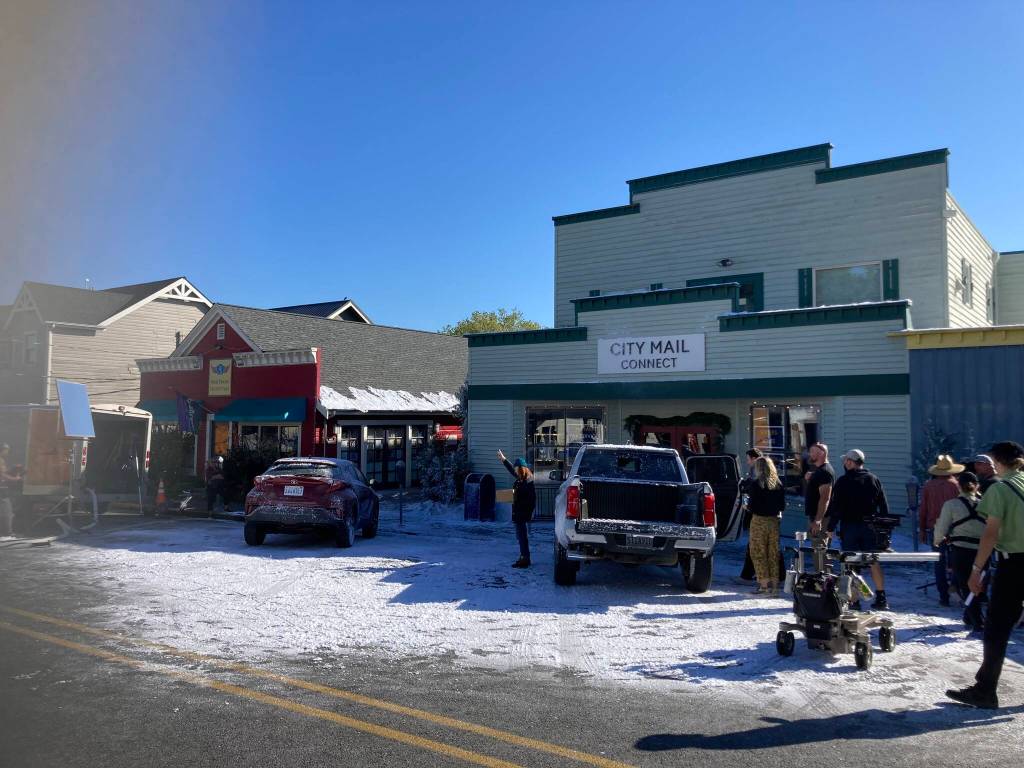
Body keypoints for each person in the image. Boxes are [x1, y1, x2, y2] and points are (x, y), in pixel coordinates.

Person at [947, 441, 1024, 710]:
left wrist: (976, 571)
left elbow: (990, 534)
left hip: (1014, 564)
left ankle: (985, 690)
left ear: (998, 462)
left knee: (997, 628)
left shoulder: (1000, 489)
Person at [827, 449, 890, 611]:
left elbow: (837, 508)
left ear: (850, 462)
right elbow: (883, 505)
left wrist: (831, 527)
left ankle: (855, 600)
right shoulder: (873, 479)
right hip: (870, 526)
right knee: (873, 561)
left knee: (851, 564)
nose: (844, 464)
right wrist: (884, 527)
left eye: (846, 461)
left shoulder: (843, 482)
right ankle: (881, 597)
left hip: (850, 527)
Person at [933, 472, 986, 630]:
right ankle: (970, 615)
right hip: (982, 550)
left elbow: (941, 527)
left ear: (959, 486)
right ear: (977, 486)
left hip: (961, 549)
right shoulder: (986, 504)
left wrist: (937, 541)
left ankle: (977, 619)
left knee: (965, 585)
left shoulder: (951, 504)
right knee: (978, 584)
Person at [921, 455, 964, 606]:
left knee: (939, 562)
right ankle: (954, 587)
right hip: (954, 528)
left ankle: (943, 596)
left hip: (934, 527)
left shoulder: (928, 485)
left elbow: (924, 509)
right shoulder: (956, 485)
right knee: (956, 561)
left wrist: (921, 529)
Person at [746, 456, 786, 595]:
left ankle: (764, 585)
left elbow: (751, 507)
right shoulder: (778, 484)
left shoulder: (756, 484)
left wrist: (746, 507)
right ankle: (774, 585)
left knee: (758, 552)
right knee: (773, 553)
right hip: (774, 521)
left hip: (759, 521)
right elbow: (782, 506)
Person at [497, 449, 536, 568]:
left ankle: (525, 558)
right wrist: (503, 460)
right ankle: (524, 556)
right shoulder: (522, 478)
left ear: (521, 469)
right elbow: (511, 469)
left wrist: (526, 512)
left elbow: (530, 500)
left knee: (522, 536)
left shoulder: (527, 482)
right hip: (519, 513)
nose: (515, 471)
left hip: (522, 514)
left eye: (516, 469)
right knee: (520, 536)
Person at [735, 449, 763, 584]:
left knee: (755, 545)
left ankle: (748, 575)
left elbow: (752, 487)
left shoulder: (757, 471)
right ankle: (777, 576)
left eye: (748, 459)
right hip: (768, 515)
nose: (747, 462)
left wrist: (743, 485)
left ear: (754, 458)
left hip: (759, 515)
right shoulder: (769, 475)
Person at [805, 443, 835, 537]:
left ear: (822, 453)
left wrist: (818, 521)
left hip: (821, 518)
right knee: (816, 548)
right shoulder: (819, 471)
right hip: (816, 516)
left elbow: (825, 498)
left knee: (819, 549)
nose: (810, 454)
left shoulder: (824, 472)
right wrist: (809, 479)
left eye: (812, 451)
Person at [0, 444, 24, 537]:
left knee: (6, 511)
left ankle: (6, 532)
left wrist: (13, 469)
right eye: (7, 450)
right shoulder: (0, 460)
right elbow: (2, 475)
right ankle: (7, 533)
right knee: (7, 511)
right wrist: (15, 479)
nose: (8, 452)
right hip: (1, 490)